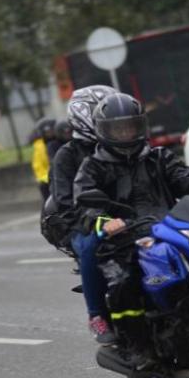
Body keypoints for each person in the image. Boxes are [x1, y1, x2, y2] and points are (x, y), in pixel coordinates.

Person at [73, 93, 189, 368]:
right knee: (125, 283)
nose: (125, 133)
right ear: (104, 132)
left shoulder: (158, 157)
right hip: (124, 237)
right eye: (118, 128)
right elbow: (85, 202)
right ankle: (139, 348)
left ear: (140, 126)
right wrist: (104, 221)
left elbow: (187, 180)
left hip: (168, 227)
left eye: (130, 126)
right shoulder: (93, 167)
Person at [43, 85, 118, 344]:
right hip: (82, 223)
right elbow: (65, 203)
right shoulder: (66, 156)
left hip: (127, 218)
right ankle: (96, 315)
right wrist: (94, 219)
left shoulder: (125, 145)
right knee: (91, 245)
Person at [31, 118, 55, 203]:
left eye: (52, 130)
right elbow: (38, 167)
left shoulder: (61, 142)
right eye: (47, 132)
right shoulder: (39, 146)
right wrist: (47, 178)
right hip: (49, 179)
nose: (50, 134)